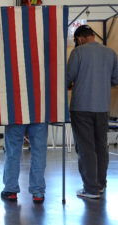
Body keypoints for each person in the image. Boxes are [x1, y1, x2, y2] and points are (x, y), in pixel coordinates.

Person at [67, 25, 118, 199]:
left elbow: (68, 78)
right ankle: (101, 185)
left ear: (80, 38)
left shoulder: (78, 53)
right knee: (101, 146)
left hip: (81, 107)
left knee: (86, 147)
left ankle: (91, 189)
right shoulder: (110, 53)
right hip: (102, 107)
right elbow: (115, 79)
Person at [0, 123, 48, 204]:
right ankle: (38, 192)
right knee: (39, 151)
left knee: (13, 150)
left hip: (15, 114)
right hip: (40, 113)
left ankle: (10, 190)